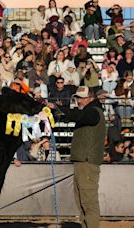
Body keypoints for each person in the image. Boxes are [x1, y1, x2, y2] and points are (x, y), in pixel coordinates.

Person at [50, 85, 105, 228]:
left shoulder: (93, 112)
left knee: (88, 203)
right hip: (82, 162)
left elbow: (78, 115)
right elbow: (76, 115)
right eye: (77, 98)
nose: (78, 101)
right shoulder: (90, 111)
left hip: (87, 162)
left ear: (90, 98)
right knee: (82, 202)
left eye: (81, 98)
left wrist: (59, 109)